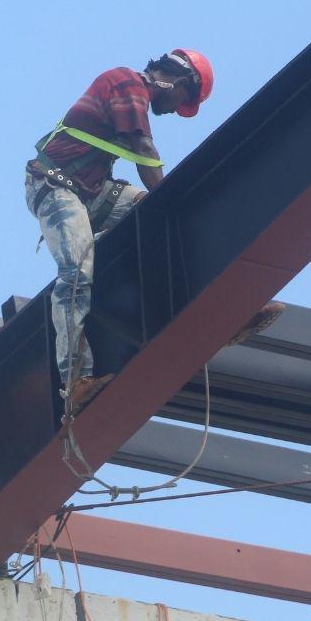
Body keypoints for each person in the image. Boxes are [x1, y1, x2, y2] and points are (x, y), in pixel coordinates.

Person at [25, 49, 282, 413]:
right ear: (180, 81)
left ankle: (229, 308)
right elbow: (142, 147)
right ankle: (75, 381)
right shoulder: (125, 82)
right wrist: (171, 202)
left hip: (93, 192)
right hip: (55, 187)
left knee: (167, 223)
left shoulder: (135, 95)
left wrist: (170, 211)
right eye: (184, 101)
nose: (176, 110)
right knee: (76, 273)